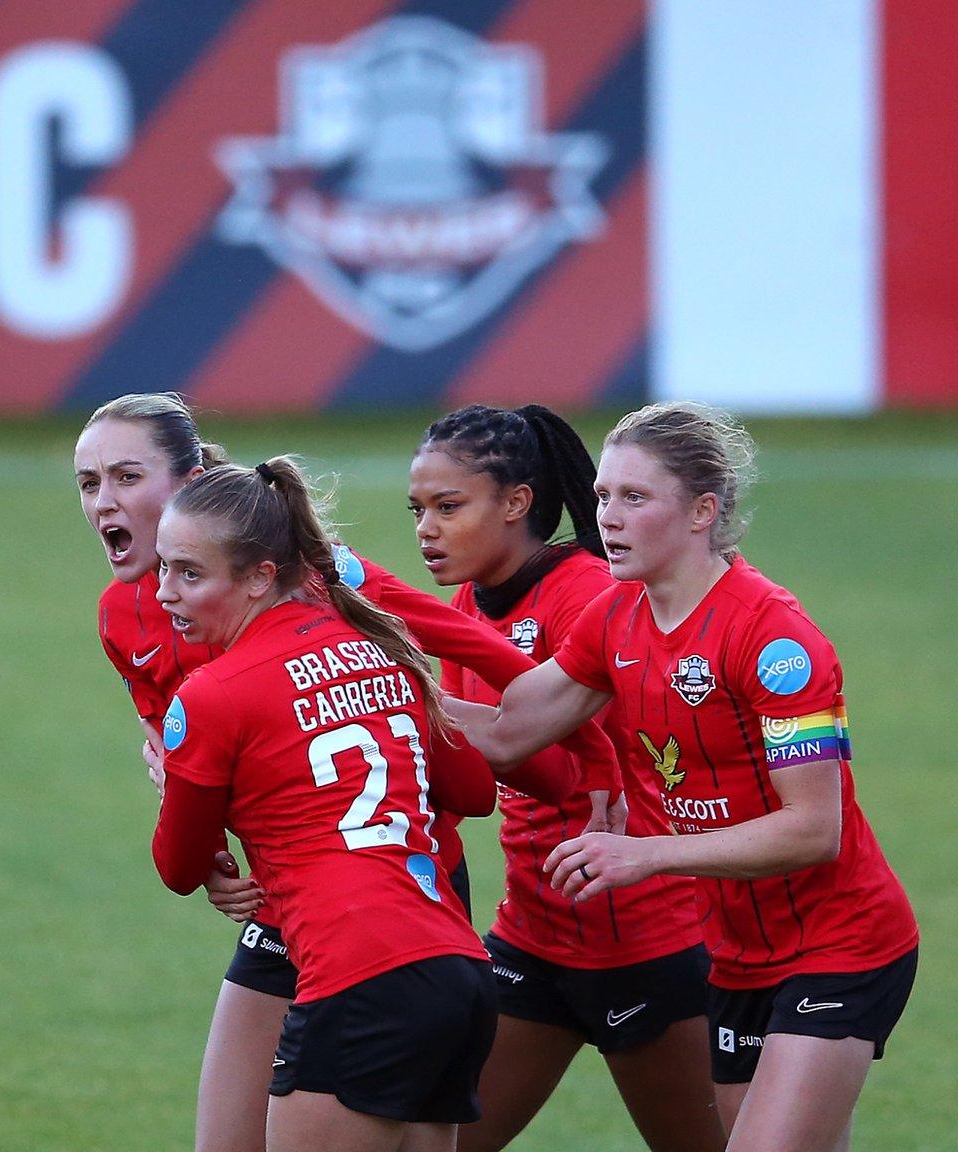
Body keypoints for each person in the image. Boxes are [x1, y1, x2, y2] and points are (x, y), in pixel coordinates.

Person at [75, 393, 609, 1152]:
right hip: (297, 900)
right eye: (89, 483)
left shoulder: (319, 580)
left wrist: (587, 764)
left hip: (397, 890)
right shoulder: (122, 616)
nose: (105, 501)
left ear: (191, 480)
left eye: (127, 476)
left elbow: (453, 646)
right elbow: (187, 751)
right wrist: (216, 857)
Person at [452, 402, 918, 1152]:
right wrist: (376, 675)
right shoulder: (615, 617)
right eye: (603, 496)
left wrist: (648, 854)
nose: (609, 517)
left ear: (703, 511)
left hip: (842, 946)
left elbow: (814, 829)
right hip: (733, 956)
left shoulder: (776, 643)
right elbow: (508, 732)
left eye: (635, 498)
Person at [151, 457, 497, 1152]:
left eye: (190, 573)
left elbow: (179, 866)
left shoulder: (214, 694)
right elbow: (474, 792)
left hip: (359, 978)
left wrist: (196, 791)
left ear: (258, 576)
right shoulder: (379, 646)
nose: (164, 593)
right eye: (163, 568)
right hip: (457, 974)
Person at [410, 404, 723, 1152]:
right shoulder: (467, 604)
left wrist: (378, 686)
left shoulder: (588, 592)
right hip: (535, 934)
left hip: (641, 937)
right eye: (418, 509)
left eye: (449, 507)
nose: (427, 528)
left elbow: (520, 746)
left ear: (517, 503)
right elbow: (482, 779)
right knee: (437, 1142)